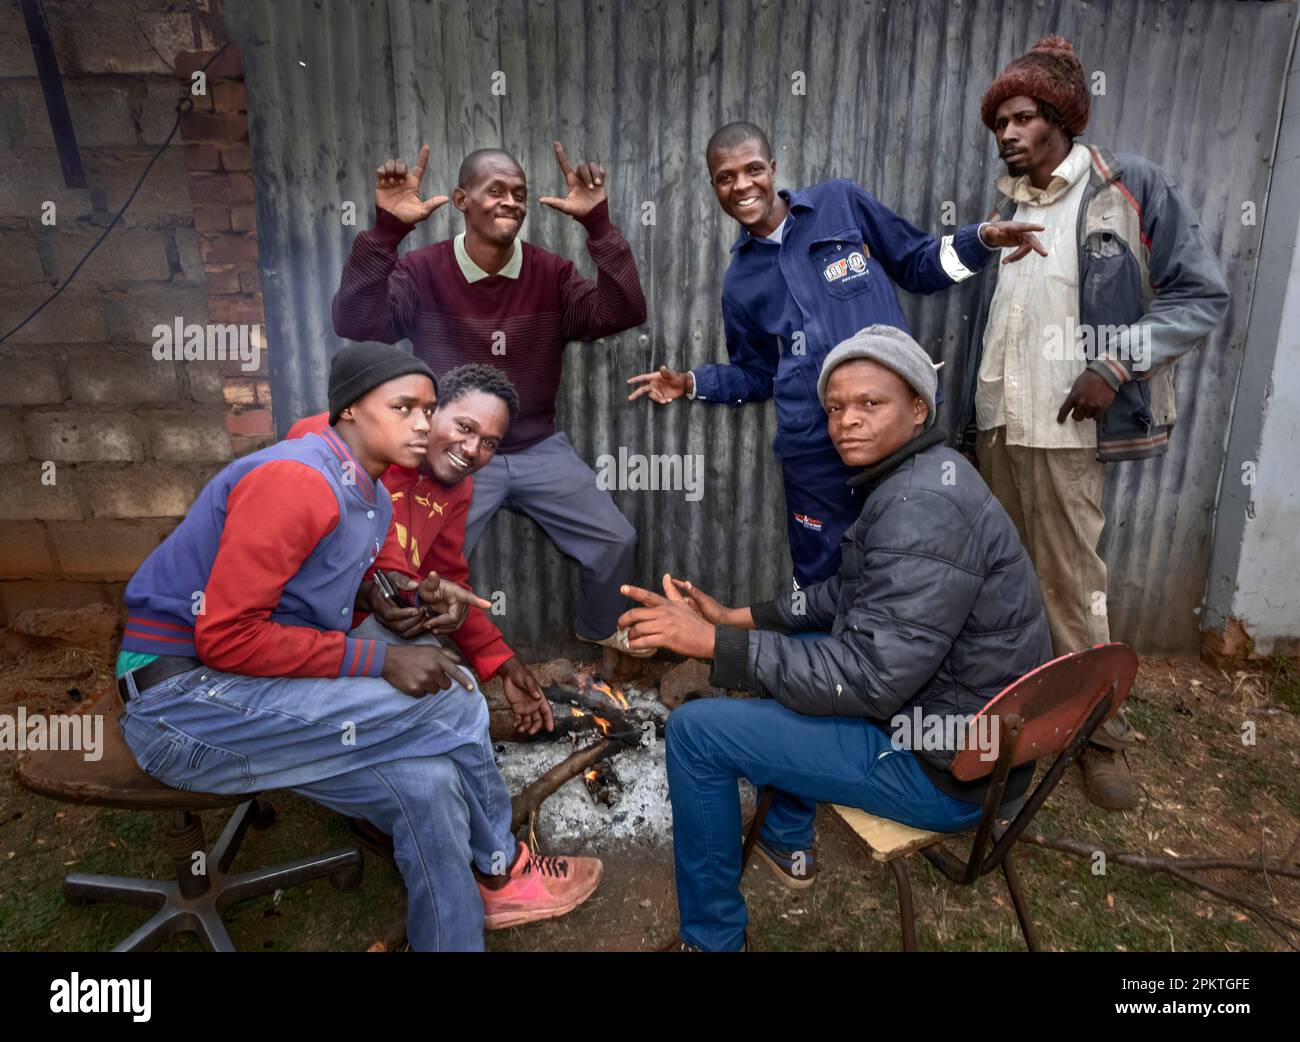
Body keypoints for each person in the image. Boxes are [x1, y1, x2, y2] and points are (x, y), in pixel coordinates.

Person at [116, 343, 602, 951]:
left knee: (428, 786)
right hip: (182, 708)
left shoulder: (370, 497)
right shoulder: (299, 477)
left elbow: (394, 570)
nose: (424, 425)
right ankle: (500, 866)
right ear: (348, 410)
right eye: (406, 408)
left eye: (426, 410)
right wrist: (381, 660)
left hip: (244, 690)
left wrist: (423, 596)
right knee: (453, 703)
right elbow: (225, 636)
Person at [619, 325, 1053, 951]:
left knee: (697, 733)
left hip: (945, 771)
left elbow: (868, 679)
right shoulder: (928, 474)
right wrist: (733, 617)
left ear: (919, 409)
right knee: (794, 667)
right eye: (835, 408)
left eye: (870, 404)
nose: (847, 421)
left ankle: (711, 940)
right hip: (960, 734)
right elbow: (840, 596)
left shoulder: (921, 508)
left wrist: (715, 647)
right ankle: (787, 842)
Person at [962, 36, 1230, 809]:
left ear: (1060, 118)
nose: (1006, 135)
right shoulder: (1009, 204)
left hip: (1066, 437)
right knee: (1000, 586)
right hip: (998, 428)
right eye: (998, 124)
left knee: (1071, 589)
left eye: (1020, 118)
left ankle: (1098, 739)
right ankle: (1014, 724)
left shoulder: (1126, 187)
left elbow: (1201, 296)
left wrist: (1116, 364)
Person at [627, 121, 1046, 587]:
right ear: (714, 186)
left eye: (752, 169)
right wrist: (692, 383)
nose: (742, 185)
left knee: (918, 559)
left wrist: (981, 240)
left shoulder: (838, 203)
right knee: (822, 575)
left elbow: (917, 262)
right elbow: (758, 373)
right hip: (814, 452)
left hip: (897, 436)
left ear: (773, 168)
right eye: (726, 177)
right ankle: (826, 657)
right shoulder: (739, 282)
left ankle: (902, 657)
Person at [332, 139, 651, 656]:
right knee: (420, 564)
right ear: (461, 200)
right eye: (495, 190)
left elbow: (623, 311)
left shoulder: (551, 274)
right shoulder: (423, 271)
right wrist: (387, 232)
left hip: (536, 447)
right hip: (454, 454)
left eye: (519, 193)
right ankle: (427, 652)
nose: (511, 201)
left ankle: (597, 626)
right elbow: (355, 322)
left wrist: (598, 226)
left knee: (616, 540)